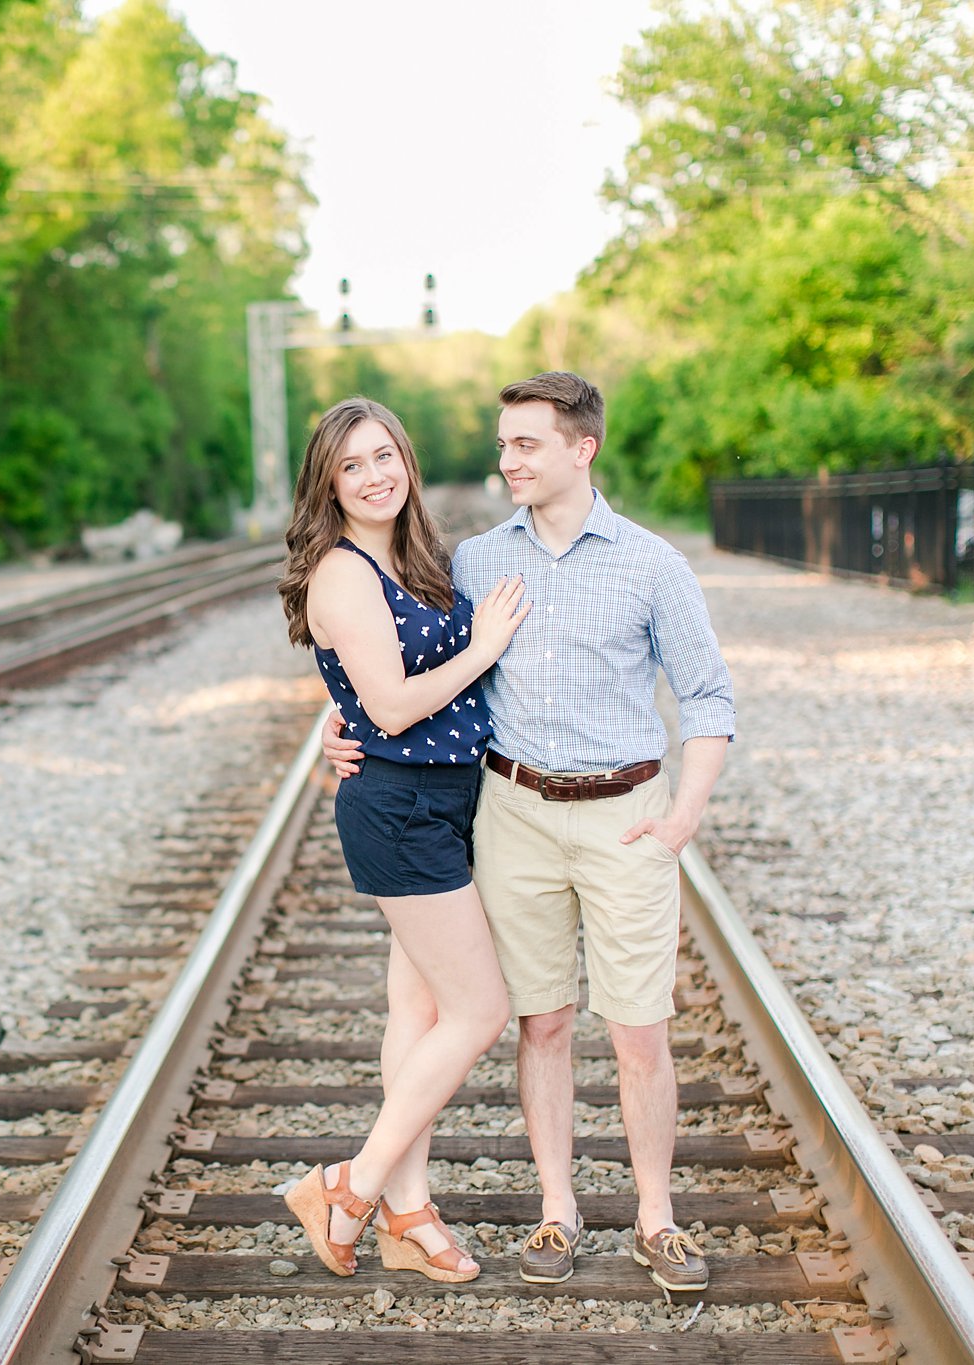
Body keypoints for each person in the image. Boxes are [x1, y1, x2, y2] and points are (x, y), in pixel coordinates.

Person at [323, 372, 735, 1292]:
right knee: (539, 1022)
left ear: (582, 448)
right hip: (508, 810)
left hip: (625, 816)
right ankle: (558, 1212)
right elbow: (396, 656)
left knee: (639, 1031)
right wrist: (338, 718)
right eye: (502, 443)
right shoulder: (471, 560)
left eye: (525, 444)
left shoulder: (651, 563)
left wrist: (683, 814)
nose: (505, 459)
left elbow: (708, 695)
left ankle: (657, 1218)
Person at [276, 396, 531, 1283]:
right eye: (352, 465)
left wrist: (332, 716)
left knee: (418, 1014)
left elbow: (368, 686)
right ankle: (350, 1184)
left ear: (407, 462)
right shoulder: (343, 572)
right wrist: (486, 644)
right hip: (401, 809)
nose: (375, 475)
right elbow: (387, 705)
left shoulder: (417, 558)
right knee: (480, 1011)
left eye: (385, 456)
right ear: (328, 483)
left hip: (444, 800)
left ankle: (407, 1212)